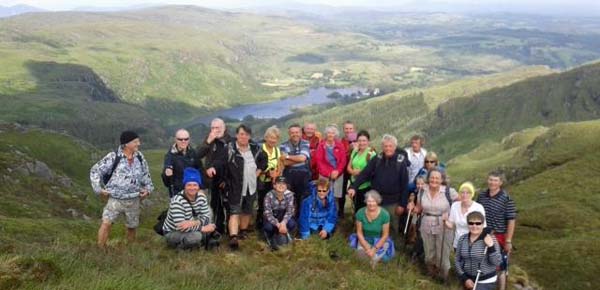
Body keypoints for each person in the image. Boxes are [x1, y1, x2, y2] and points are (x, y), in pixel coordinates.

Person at [90, 130, 154, 248]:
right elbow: (95, 170)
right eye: (135, 141)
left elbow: (146, 174)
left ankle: (129, 250)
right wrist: (98, 189)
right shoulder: (113, 157)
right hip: (115, 199)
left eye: (138, 141)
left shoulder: (139, 157)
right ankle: (100, 249)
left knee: (132, 227)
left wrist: (148, 189)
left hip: (134, 199)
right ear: (126, 143)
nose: (138, 144)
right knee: (106, 223)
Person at [347, 134, 410, 248]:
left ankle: (391, 249)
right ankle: (376, 247)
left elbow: (405, 185)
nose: (388, 149)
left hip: (393, 201)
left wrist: (402, 204)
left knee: (392, 226)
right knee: (377, 225)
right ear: (382, 146)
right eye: (385, 146)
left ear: (395, 147)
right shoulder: (377, 159)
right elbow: (364, 174)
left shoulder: (401, 163)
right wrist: (353, 187)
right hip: (376, 200)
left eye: (390, 146)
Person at [224, 124, 266, 249]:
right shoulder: (230, 149)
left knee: (247, 210)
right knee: (235, 211)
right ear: (236, 135)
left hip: (251, 185)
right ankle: (233, 237)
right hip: (235, 186)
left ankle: (243, 231)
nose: (243, 137)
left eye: (246, 134)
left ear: (249, 136)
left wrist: (258, 172)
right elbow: (222, 165)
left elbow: (264, 160)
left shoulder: (255, 148)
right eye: (241, 134)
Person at [413, 168, 458, 281]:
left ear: (442, 179)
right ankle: (431, 275)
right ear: (428, 178)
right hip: (426, 223)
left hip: (443, 225)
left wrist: (450, 215)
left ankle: (444, 277)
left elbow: (461, 204)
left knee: (442, 253)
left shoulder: (449, 191)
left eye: (437, 178)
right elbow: (419, 207)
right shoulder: (422, 190)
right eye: (432, 177)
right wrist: (413, 208)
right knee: (429, 253)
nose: (434, 180)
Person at [476, 171, 517, 290]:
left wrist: (508, 241)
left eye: (495, 180)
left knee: (500, 266)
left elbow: (511, 220)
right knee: (484, 263)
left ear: (500, 182)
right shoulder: (481, 196)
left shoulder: (506, 199)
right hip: (482, 235)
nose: (492, 182)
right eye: (490, 180)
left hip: (499, 236)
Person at [162, 168, 215, 250]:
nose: (192, 188)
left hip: (192, 222)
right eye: (189, 185)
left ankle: (195, 243)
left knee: (210, 215)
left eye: (195, 185)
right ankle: (178, 245)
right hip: (173, 231)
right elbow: (181, 226)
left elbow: (207, 217)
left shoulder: (202, 197)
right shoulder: (177, 201)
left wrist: (194, 222)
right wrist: (203, 228)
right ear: (184, 186)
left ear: (198, 186)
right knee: (197, 236)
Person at [196, 118, 232, 235]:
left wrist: (226, 179)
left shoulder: (230, 141)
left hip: (227, 180)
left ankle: (230, 231)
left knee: (228, 206)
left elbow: (229, 161)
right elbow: (197, 155)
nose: (215, 130)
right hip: (211, 180)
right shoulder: (209, 139)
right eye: (213, 128)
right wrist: (208, 141)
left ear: (224, 128)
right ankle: (217, 230)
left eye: (218, 128)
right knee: (214, 205)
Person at [455, 211, 502, 290]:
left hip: (486, 281)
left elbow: (497, 262)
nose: (474, 226)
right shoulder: (462, 239)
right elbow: (457, 260)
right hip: (467, 279)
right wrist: (464, 277)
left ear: (483, 224)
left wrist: (491, 247)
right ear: (467, 224)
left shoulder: (491, 239)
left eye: (478, 223)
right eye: (471, 223)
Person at [350, 190, 394, 269]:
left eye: (373, 201)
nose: (371, 204)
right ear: (366, 201)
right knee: (360, 257)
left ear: (377, 201)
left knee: (385, 258)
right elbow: (359, 233)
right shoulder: (360, 212)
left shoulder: (385, 214)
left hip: (379, 240)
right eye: (369, 201)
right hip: (364, 239)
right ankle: (373, 259)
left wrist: (374, 249)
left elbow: (385, 235)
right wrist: (367, 247)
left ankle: (375, 258)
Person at [314, 124, 347, 216]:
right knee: (322, 195)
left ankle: (334, 216)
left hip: (338, 174)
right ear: (326, 133)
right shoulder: (321, 145)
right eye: (329, 132)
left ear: (335, 134)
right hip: (324, 175)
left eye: (333, 133)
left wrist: (337, 171)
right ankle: (322, 215)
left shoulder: (339, 145)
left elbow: (343, 161)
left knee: (335, 196)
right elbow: (319, 161)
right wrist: (329, 173)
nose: (330, 134)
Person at [255, 126, 284, 230]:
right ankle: (260, 224)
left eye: (275, 138)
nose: (272, 140)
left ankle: (270, 223)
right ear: (266, 137)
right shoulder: (259, 149)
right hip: (260, 181)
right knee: (262, 203)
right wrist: (267, 173)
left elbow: (280, 165)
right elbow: (255, 167)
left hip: (272, 182)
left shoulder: (277, 150)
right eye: (270, 137)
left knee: (271, 203)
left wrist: (277, 174)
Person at [442, 182, 486, 249]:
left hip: (473, 243)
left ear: (472, 194)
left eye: (468, 192)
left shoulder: (478, 207)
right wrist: (445, 220)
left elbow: (483, 227)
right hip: (458, 243)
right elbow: (451, 225)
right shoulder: (455, 206)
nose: (464, 195)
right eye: (462, 192)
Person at [280, 124, 312, 217]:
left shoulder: (305, 143)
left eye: (297, 132)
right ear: (289, 134)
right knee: (290, 199)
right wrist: (298, 159)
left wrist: (287, 156)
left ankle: (302, 219)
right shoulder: (283, 145)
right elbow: (284, 163)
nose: (295, 134)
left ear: (301, 133)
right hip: (289, 175)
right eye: (292, 132)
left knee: (303, 198)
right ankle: (290, 219)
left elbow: (302, 158)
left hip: (303, 175)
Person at [162, 129, 203, 198]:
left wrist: (201, 187)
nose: (183, 141)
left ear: (189, 139)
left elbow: (200, 170)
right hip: (178, 194)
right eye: (180, 139)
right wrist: (166, 174)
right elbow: (167, 182)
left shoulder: (193, 153)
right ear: (175, 140)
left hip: (193, 192)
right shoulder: (170, 156)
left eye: (186, 139)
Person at [346, 130, 376, 214]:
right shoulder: (355, 151)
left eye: (364, 141)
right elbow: (348, 166)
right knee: (356, 207)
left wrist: (360, 173)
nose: (362, 143)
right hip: (354, 185)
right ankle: (357, 224)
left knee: (364, 209)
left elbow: (371, 171)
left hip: (365, 186)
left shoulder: (371, 154)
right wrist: (353, 172)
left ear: (368, 141)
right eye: (359, 140)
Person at [263, 176, 295, 250]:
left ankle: (286, 234)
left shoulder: (290, 195)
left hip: (283, 215)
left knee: (292, 224)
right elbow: (268, 213)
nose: (281, 186)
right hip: (273, 216)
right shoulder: (268, 195)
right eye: (279, 183)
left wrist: (283, 223)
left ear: (286, 186)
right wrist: (278, 224)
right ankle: (271, 237)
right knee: (268, 227)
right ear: (274, 185)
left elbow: (290, 211)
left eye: (283, 184)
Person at [340, 121, 356, 218]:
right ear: (343, 129)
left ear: (353, 129)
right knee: (342, 191)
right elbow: (340, 156)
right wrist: (349, 150)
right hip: (344, 169)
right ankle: (341, 212)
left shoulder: (357, 140)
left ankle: (356, 210)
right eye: (346, 128)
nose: (348, 130)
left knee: (355, 188)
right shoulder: (341, 141)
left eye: (350, 128)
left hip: (354, 169)